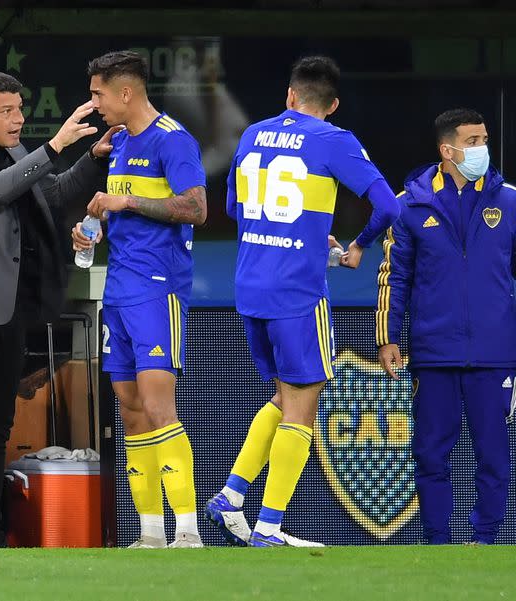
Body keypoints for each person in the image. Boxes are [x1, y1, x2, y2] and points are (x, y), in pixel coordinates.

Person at [205, 56, 401, 547]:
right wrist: (357, 246)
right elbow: (390, 205)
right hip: (298, 290)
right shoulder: (335, 139)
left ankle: (231, 497)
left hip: (249, 286)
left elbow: (234, 207)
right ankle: (268, 527)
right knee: (303, 407)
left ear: (289, 96)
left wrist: (300, 230)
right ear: (331, 105)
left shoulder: (252, 134)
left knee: (282, 397)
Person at [0, 70, 119, 548]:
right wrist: (53, 146)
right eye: (6, 111)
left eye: (19, 109)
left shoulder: (15, 154)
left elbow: (49, 196)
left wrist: (92, 159)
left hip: (11, 308)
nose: (17, 120)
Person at [72, 51, 207, 548]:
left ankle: (188, 531)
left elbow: (196, 208)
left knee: (157, 404)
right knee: (128, 408)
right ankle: (151, 532)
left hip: (158, 288)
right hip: (119, 290)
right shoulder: (121, 142)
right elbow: (117, 213)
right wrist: (92, 229)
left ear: (125, 92)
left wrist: (123, 201)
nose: (94, 104)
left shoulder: (174, 140)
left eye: (97, 94)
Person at [376, 108, 516, 545]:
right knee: (431, 456)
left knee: (494, 456)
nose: (482, 149)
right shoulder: (408, 204)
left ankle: (485, 540)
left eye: (485, 139)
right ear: (447, 150)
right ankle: (437, 542)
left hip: (496, 353)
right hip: (434, 352)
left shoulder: (509, 200)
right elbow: (393, 277)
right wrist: (387, 338)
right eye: (473, 141)